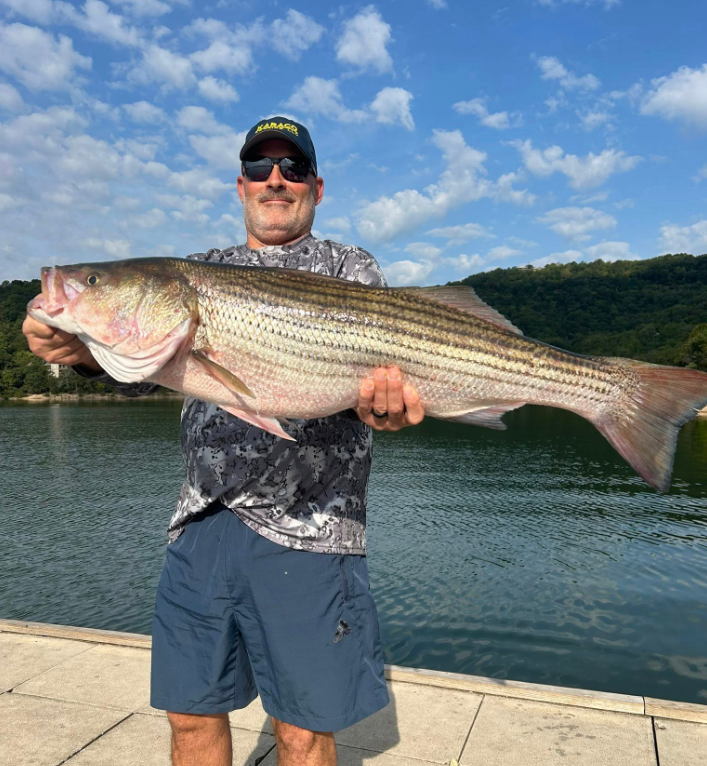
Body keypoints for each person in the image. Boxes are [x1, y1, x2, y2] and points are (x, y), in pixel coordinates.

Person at [23, 117, 425, 766]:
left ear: (316, 187)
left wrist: (388, 407)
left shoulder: (348, 268)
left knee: (300, 730)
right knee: (189, 715)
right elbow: (127, 361)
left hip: (311, 529)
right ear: (239, 186)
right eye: (260, 169)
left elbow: (375, 391)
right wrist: (77, 345)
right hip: (201, 522)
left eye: (291, 169)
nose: (275, 180)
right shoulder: (200, 270)